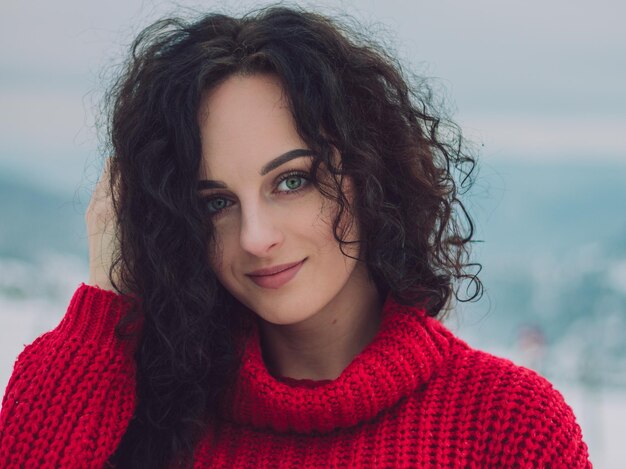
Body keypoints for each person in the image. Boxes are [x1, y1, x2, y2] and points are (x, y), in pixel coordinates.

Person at [0, 6, 590, 468]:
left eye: (291, 181)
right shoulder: (139, 417)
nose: (256, 237)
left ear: (369, 173)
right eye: (216, 203)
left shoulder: (509, 427)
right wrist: (104, 304)